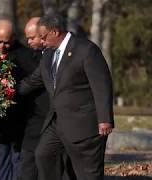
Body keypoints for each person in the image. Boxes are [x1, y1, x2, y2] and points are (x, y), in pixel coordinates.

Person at [18, 13, 114, 180]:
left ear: (55, 32)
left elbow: (102, 85)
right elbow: (33, 81)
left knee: (87, 173)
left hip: (84, 124)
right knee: (43, 155)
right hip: (57, 123)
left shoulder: (86, 50)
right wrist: (5, 93)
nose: (40, 41)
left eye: (43, 37)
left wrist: (105, 119)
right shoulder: (48, 55)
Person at [0, 19, 37, 180]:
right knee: (0, 162)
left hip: (19, 119)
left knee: (17, 163)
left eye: (6, 43)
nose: (1, 46)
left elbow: (32, 83)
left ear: (14, 38)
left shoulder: (26, 55)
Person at [18, 17, 50, 180]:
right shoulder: (28, 55)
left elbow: (30, 83)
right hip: (33, 122)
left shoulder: (52, 56)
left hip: (49, 120)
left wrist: (9, 91)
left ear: (43, 35)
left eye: (32, 38)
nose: (28, 41)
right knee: (27, 168)